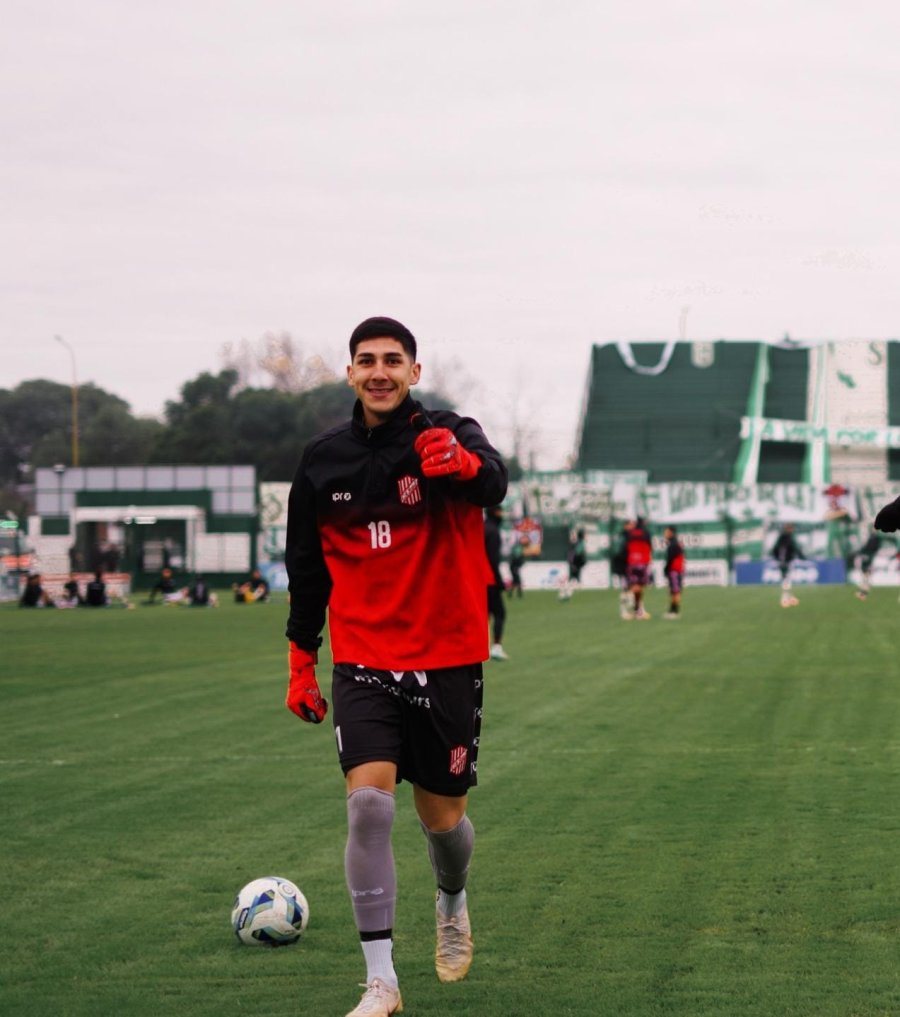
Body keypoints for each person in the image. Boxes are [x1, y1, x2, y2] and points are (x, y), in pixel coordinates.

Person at [284, 316, 508, 1017]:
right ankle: (381, 982)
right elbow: (306, 568)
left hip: (445, 654)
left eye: (392, 359)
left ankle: (451, 899)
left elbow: (495, 481)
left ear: (415, 370)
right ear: (349, 373)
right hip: (363, 657)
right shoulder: (322, 460)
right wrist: (301, 658)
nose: (378, 371)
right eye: (365, 360)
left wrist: (466, 466)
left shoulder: (450, 431)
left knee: (443, 822)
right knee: (370, 805)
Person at [484, 505, 508, 660]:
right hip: (489, 579)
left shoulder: (480, 527)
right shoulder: (493, 531)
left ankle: (479, 647)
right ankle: (496, 647)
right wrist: (499, 581)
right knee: (500, 613)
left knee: (483, 615)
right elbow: (493, 559)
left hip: (476, 579)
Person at [625, 517, 653, 620]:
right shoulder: (646, 533)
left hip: (632, 561)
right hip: (643, 562)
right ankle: (637, 610)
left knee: (633, 586)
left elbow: (626, 547)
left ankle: (635, 610)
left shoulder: (630, 533)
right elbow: (650, 547)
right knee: (639, 587)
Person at [771, 522, 804, 607]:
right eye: (791, 528)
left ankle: (789, 597)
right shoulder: (786, 537)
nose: (792, 530)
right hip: (785, 561)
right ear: (788, 529)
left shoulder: (785, 537)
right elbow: (793, 548)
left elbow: (775, 549)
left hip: (785, 560)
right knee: (786, 579)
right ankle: (785, 599)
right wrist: (801, 556)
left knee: (787, 579)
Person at [849, 528, 882, 601]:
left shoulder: (874, 538)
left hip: (868, 557)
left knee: (866, 577)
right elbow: (871, 548)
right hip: (868, 557)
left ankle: (863, 594)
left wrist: (860, 552)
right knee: (866, 577)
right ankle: (862, 593)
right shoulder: (874, 538)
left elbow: (869, 547)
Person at [662, 525, 685, 619]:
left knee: (675, 591)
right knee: (674, 591)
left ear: (671, 533)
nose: (664, 534)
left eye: (666, 532)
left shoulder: (673, 544)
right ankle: (672, 610)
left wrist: (666, 569)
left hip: (674, 570)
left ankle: (675, 611)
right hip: (678, 570)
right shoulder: (676, 543)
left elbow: (670, 559)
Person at [612, 521, 633, 619]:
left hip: (624, 566)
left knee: (628, 588)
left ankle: (627, 609)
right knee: (625, 589)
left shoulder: (622, 536)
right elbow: (619, 553)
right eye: (630, 525)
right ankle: (624, 611)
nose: (632, 527)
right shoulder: (624, 537)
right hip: (623, 566)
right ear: (626, 526)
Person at [559, 527, 587, 601]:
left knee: (573, 580)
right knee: (574, 581)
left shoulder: (577, 543)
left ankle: (566, 594)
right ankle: (564, 593)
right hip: (575, 563)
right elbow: (577, 553)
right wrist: (575, 562)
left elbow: (572, 554)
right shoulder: (581, 543)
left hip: (575, 563)